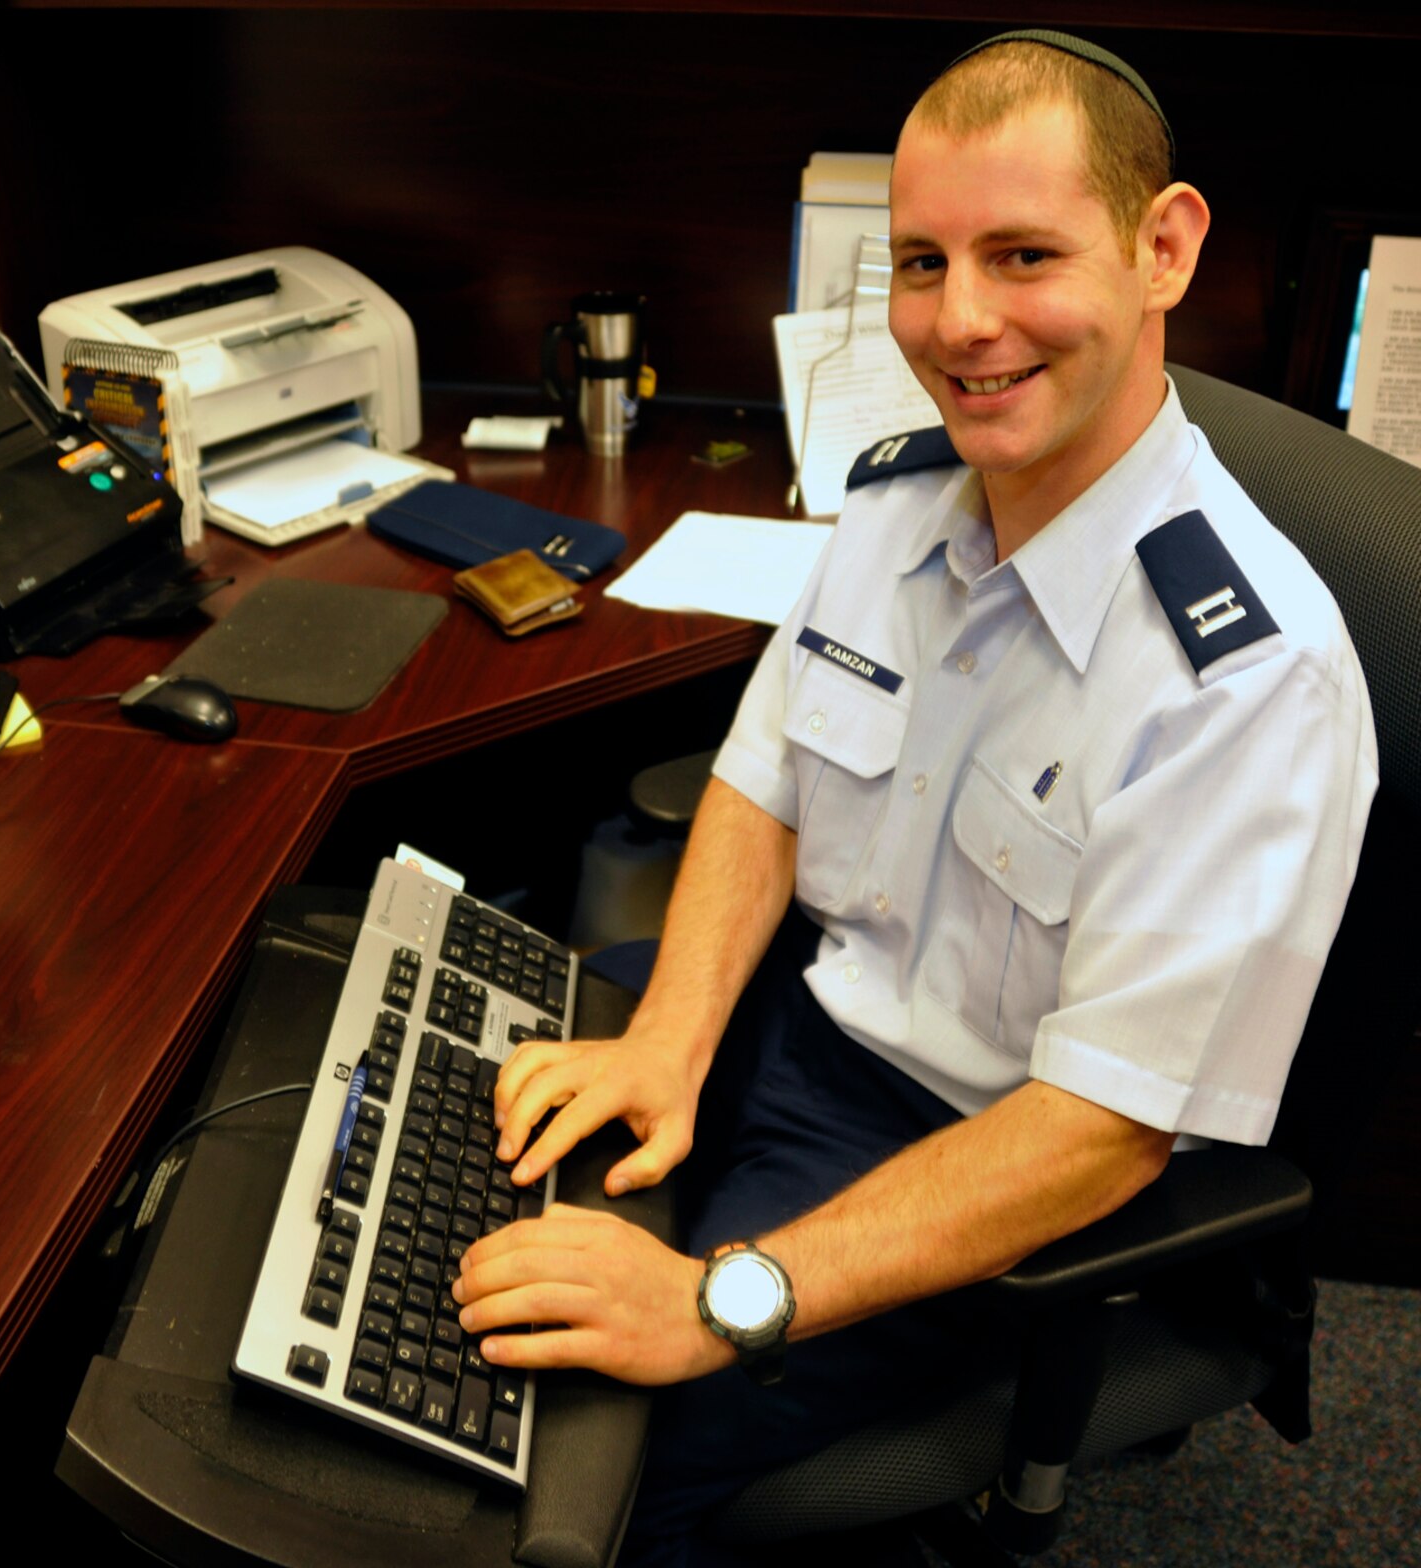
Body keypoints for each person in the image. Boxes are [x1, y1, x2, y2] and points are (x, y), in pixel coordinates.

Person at [450, 31, 1378, 1565]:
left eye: (1024, 256)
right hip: (799, 1025)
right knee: (459, 1126)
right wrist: (671, 1046)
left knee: (568, 1469)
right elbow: (763, 783)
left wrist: (719, 1302)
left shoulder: (1245, 683)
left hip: (978, 1162)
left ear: (1165, 249)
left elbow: (1098, 1137)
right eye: (924, 263)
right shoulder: (903, 495)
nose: (961, 325)